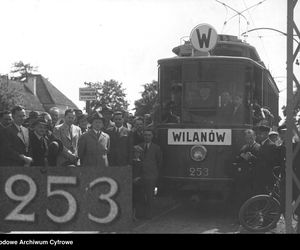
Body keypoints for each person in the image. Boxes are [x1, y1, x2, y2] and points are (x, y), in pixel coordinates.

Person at [233, 129, 260, 208]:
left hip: (253, 176)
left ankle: (252, 214)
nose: (249, 140)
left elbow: (260, 161)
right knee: (243, 195)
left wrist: (251, 157)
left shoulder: (258, 147)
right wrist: (240, 157)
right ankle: (244, 214)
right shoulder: (244, 147)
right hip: (244, 175)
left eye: (251, 138)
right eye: (247, 138)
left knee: (252, 196)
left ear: (255, 137)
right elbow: (237, 158)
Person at [139, 128, 162, 219]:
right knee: (141, 195)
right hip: (141, 175)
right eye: (145, 135)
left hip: (151, 175)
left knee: (150, 195)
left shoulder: (156, 148)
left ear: (152, 136)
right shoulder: (139, 146)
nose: (147, 137)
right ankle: (141, 213)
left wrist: (156, 173)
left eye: (149, 135)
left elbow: (159, 162)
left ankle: (150, 214)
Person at [252, 125, 280, 195]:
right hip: (261, 177)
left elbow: (269, 163)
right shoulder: (262, 144)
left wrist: (253, 158)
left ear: (265, 134)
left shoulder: (271, 146)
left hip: (266, 177)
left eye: (259, 134)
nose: (258, 136)